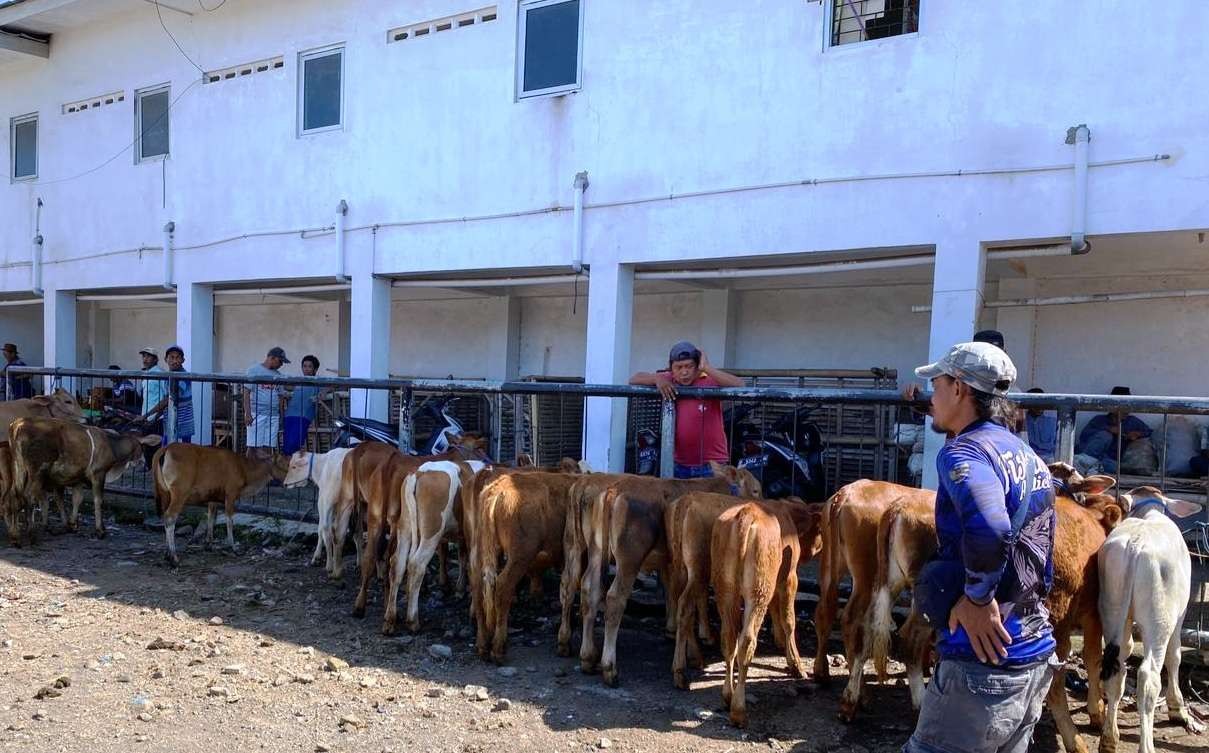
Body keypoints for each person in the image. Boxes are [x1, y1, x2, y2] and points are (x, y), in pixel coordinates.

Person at [905, 341, 1057, 753]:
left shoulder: (965, 453)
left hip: (982, 664)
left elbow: (990, 526)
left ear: (959, 388)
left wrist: (977, 596)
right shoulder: (1027, 456)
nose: (931, 396)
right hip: (1032, 650)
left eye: (935, 384)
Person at [629, 341, 744, 478]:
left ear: (697, 367)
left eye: (689, 366)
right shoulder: (670, 379)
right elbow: (634, 378)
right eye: (679, 367)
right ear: (671, 368)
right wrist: (657, 379)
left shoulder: (709, 380)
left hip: (713, 465)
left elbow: (740, 384)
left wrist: (706, 367)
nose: (684, 372)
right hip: (679, 464)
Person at [1075, 386, 1152, 474]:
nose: (1126, 410)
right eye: (1123, 406)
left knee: (1115, 467)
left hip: (1107, 461)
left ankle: (1091, 466)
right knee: (1105, 436)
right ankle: (1087, 464)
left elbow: (1150, 432)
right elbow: (1084, 437)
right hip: (1088, 455)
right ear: (1113, 406)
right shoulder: (1099, 420)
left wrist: (1138, 434)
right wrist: (1108, 429)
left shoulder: (1132, 422)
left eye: (1128, 406)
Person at [244, 346, 289, 458]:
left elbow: (281, 397)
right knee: (253, 446)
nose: (281, 364)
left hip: (273, 415)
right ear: (272, 358)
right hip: (257, 413)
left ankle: (265, 472)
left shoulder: (279, 376)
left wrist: (281, 416)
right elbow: (246, 393)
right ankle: (248, 470)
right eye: (280, 361)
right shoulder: (253, 371)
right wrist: (248, 413)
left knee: (269, 446)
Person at [145, 346, 194, 444]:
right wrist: (154, 418)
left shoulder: (184, 376)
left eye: (178, 357)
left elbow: (168, 400)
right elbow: (166, 402)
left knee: (183, 456)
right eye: (172, 357)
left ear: (183, 360)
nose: (175, 361)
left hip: (182, 426)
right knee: (166, 453)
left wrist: (146, 415)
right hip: (170, 424)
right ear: (166, 359)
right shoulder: (168, 376)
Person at [282, 354, 326, 455]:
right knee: (287, 444)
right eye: (304, 366)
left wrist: (322, 393)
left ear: (315, 369)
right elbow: (287, 387)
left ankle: (293, 467)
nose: (306, 369)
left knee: (294, 444)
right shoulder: (298, 381)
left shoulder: (318, 381)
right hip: (289, 415)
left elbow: (331, 386)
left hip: (303, 416)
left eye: (310, 366)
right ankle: (286, 467)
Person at [137, 347, 167, 436]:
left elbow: (167, 398)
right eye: (143, 356)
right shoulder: (146, 373)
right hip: (146, 419)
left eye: (148, 357)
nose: (145, 359)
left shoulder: (160, 373)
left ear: (155, 359)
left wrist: (155, 417)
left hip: (157, 420)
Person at [1023, 387, 1056, 463]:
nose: (1039, 407)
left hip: (1050, 460)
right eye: (1035, 404)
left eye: (1041, 403)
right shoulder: (1022, 422)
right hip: (1029, 459)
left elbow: (1056, 445)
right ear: (1029, 405)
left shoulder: (1052, 422)